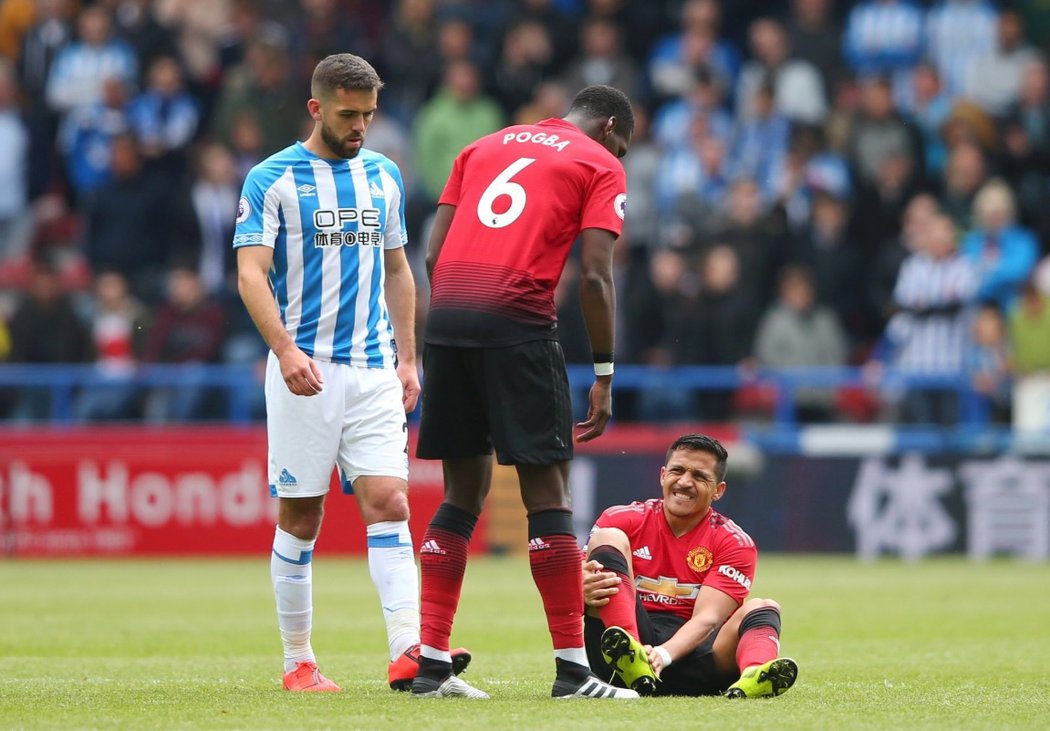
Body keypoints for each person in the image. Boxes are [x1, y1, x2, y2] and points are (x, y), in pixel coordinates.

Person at [234, 53, 468, 694]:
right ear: (316, 109)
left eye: (368, 113)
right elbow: (251, 271)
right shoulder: (272, 178)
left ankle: (407, 652)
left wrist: (408, 356)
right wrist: (284, 350)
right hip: (304, 369)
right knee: (300, 517)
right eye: (348, 114)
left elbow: (398, 270)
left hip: (372, 372)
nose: (361, 125)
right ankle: (297, 662)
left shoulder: (385, 175)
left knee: (391, 502)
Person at [411, 85, 636, 700]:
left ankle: (431, 665)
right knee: (548, 493)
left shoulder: (481, 145)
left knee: (462, 492)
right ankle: (572, 672)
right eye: (623, 144)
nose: (622, 155)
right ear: (610, 125)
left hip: (448, 323)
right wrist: (605, 373)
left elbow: (432, 254)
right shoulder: (598, 162)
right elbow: (594, 275)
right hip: (518, 325)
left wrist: (460, 319)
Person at [582, 433, 798, 699]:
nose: (684, 482)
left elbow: (708, 619)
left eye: (699, 476)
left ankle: (754, 677)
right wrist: (579, 587)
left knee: (764, 607)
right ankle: (631, 655)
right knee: (607, 539)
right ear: (663, 475)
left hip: (694, 661)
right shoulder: (621, 519)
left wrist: (662, 655)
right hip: (620, 660)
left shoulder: (734, 542)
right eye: (677, 470)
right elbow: (575, 587)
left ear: (718, 490)